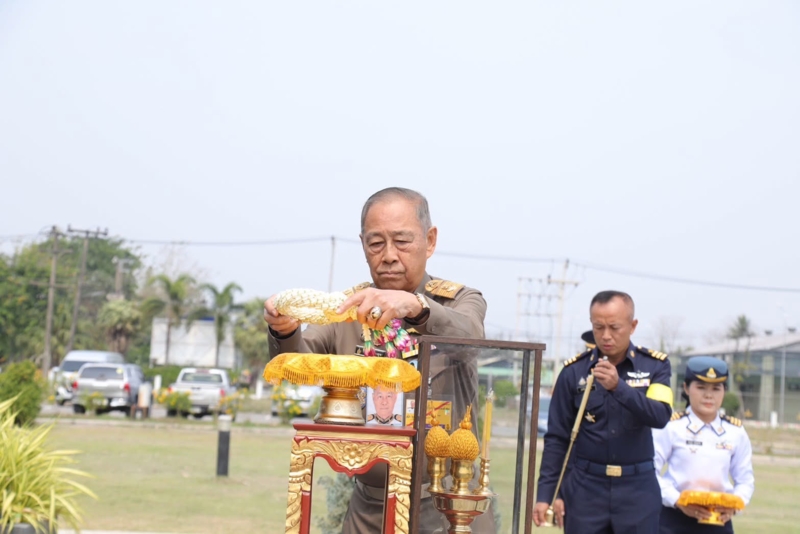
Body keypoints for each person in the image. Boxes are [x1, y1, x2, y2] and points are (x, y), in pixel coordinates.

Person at [263, 187, 489, 534]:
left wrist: (416, 307)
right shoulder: (347, 309)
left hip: (446, 506)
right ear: (363, 244)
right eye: (376, 243)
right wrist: (284, 330)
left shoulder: (460, 301)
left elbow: (472, 339)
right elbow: (299, 361)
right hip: (371, 508)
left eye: (402, 241)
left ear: (429, 241)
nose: (388, 256)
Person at [533, 290, 673, 533]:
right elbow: (557, 438)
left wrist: (619, 387)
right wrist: (546, 493)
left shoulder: (655, 366)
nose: (606, 335)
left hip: (637, 488)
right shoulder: (573, 372)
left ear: (633, 325)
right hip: (585, 488)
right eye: (598, 327)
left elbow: (660, 416)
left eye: (614, 327)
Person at [652, 356, 754, 533]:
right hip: (674, 520)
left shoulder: (735, 432)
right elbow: (651, 471)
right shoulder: (671, 426)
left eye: (716, 388)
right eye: (701, 387)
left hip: (719, 520)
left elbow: (745, 479)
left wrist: (735, 504)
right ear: (686, 388)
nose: (709, 395)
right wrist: (677, 500)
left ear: (724, 391)